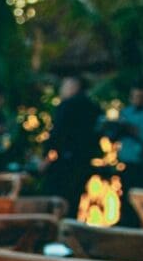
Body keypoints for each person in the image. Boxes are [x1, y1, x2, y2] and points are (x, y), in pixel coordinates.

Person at [42, 75, 102, 206]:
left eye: (64, 86)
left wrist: (46, 158)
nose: (61, 90)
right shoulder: (94, 107)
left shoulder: (67, 106)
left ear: (74, 87)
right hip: (84, 161)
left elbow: (57, 134)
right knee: (74, 201)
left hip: (65, 161)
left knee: (56, 199)